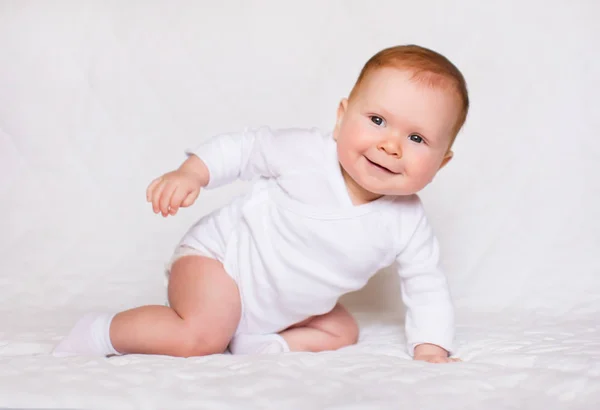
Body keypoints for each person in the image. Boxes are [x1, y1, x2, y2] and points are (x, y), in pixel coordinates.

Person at [53, 44, 469, 363]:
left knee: (342, 329)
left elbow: (426, 285)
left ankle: (261, 344)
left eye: (417, 139)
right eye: (377, 120)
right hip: (218, 263)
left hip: (286, 307)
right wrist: (192, 173)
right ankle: (100, 332)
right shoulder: (305, 154)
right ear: (342, 117)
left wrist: (431, 346)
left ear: (442, 161)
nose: (390, 145)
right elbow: (244, 149)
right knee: (200, 336)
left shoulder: (407, 222)